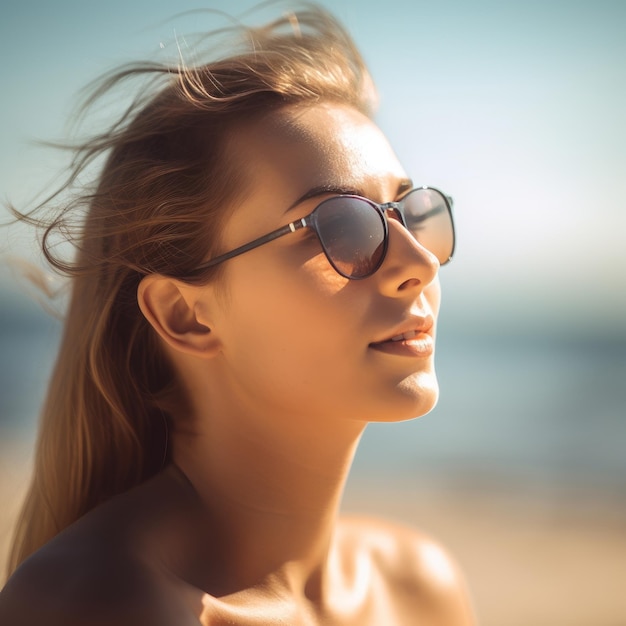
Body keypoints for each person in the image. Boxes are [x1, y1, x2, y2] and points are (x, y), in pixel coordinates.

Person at [0, 5, 474, 624]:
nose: (419, 261)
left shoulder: (419, 587)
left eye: (409, 212)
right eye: (341, 226)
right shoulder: (97, 602)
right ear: (186, 316)